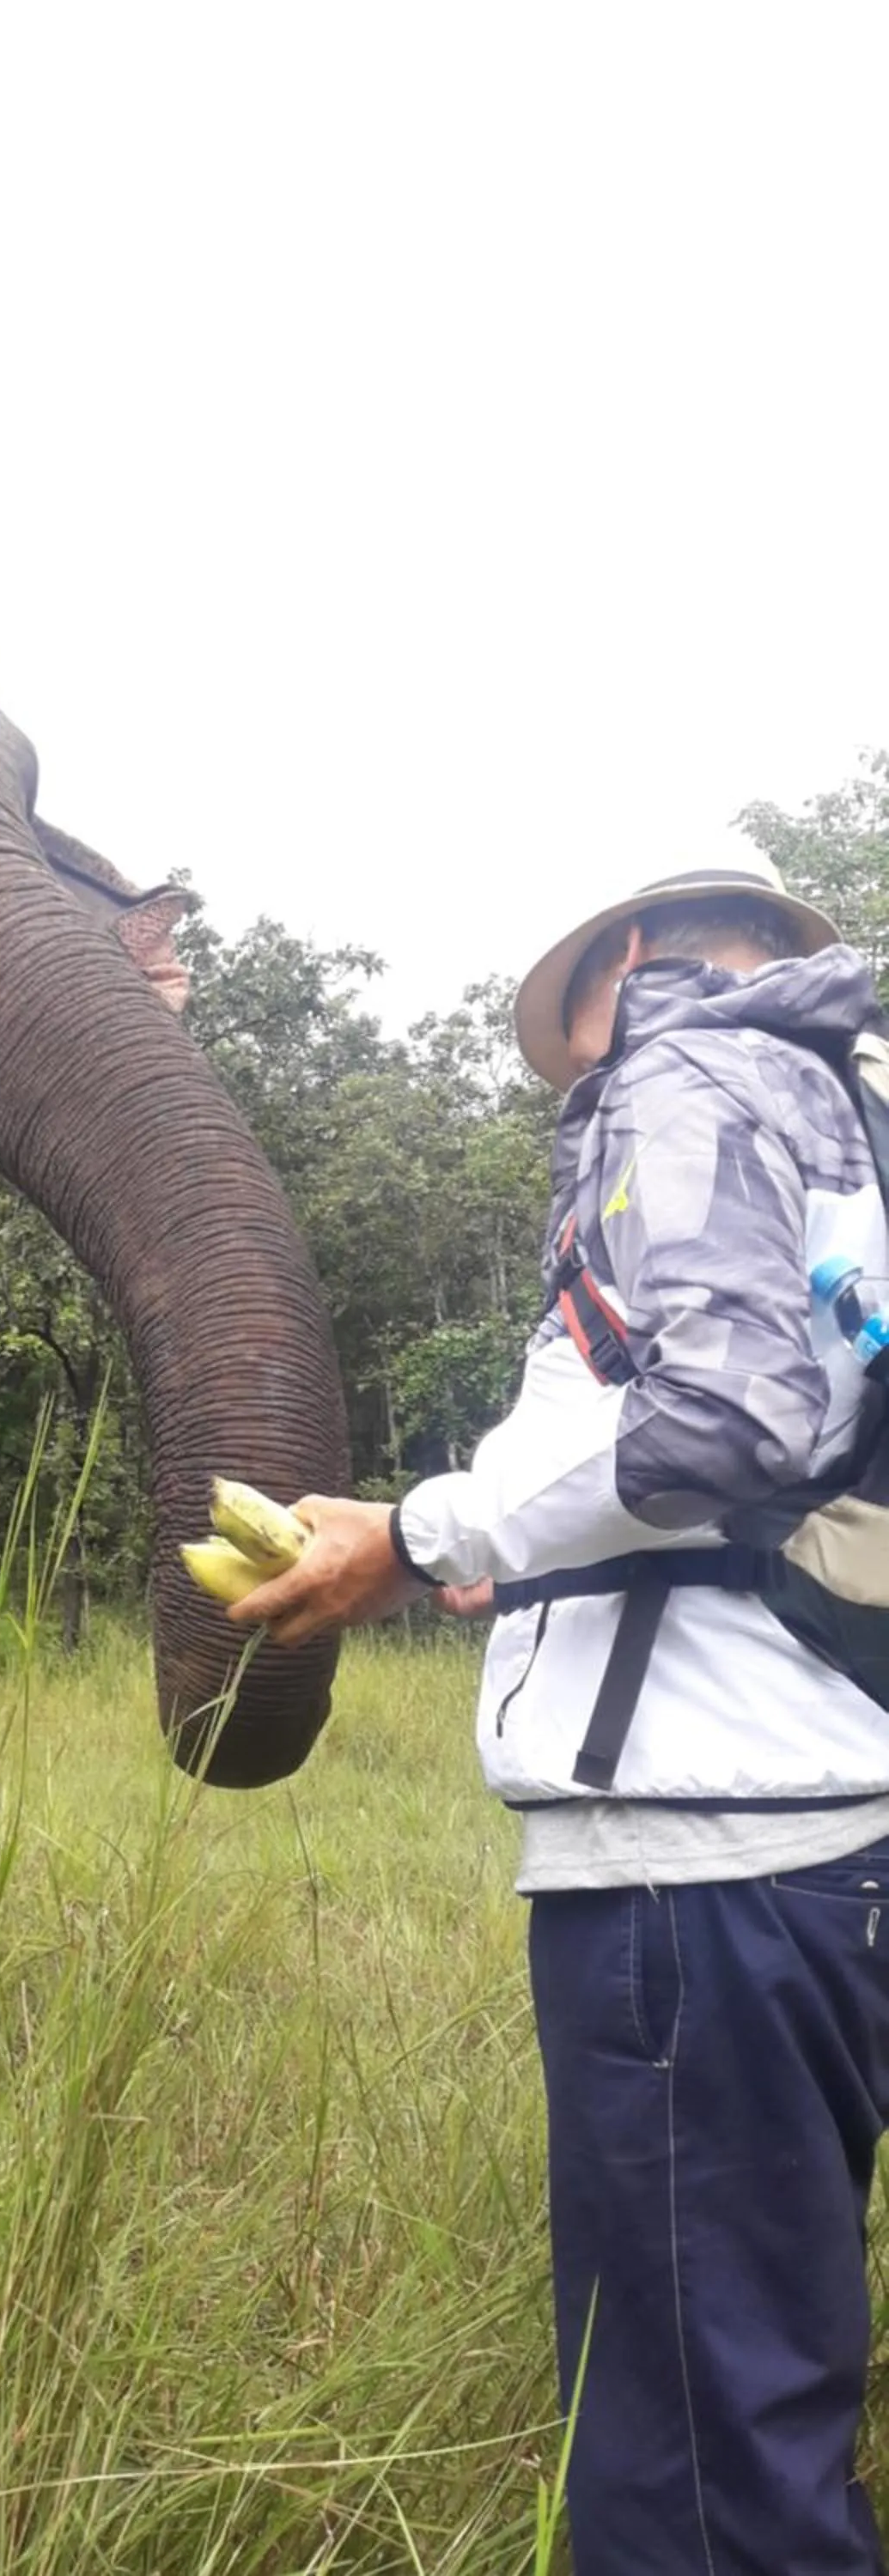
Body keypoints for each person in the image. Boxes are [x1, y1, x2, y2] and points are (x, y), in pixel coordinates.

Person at [231, 856, 889, 2573]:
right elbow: (789, 1433)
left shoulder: (682, 1076)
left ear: (626, 965)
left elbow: (729, 1420)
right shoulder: (851, 1115)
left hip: (700, 1871)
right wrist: (528, 1552)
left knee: (696, 2448)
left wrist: (424, 1533)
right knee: (771, 2389)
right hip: (831, 1833)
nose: (573, 1071)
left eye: (570, 1028)